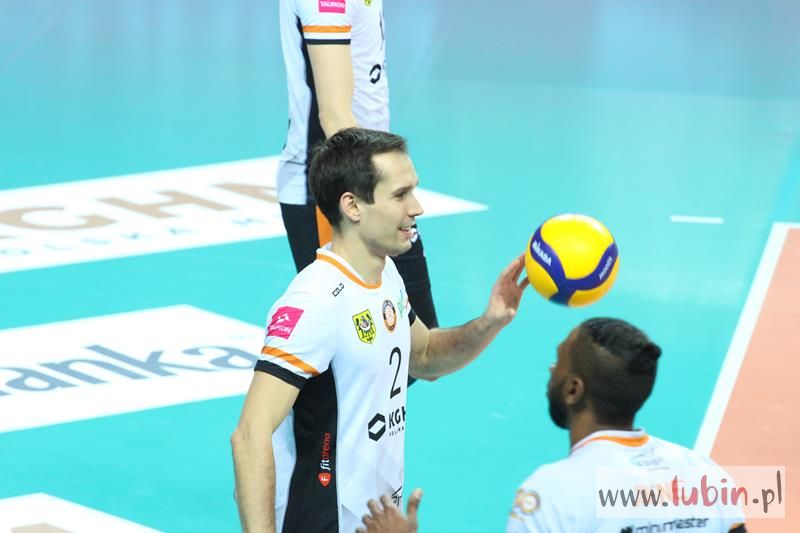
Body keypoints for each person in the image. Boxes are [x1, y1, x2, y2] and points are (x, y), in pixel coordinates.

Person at [231, 128, 528, 533]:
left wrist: (490, 321)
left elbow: (424, 357)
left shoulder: (386, 274)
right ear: (352, 206)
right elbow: (250, 436)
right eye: (400, 195)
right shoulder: (314, 302)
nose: (417, 207)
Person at [357, 318, 748, 533]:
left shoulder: (552, 494)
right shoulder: (705, 474)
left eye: (559, 362)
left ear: (574, 389)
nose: (550, 369)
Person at [276, 0, 440, 336]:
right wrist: (385, 192)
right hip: (337, 193)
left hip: (374, 184)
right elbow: (335, 117)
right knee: (357, 344)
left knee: (419, 341)